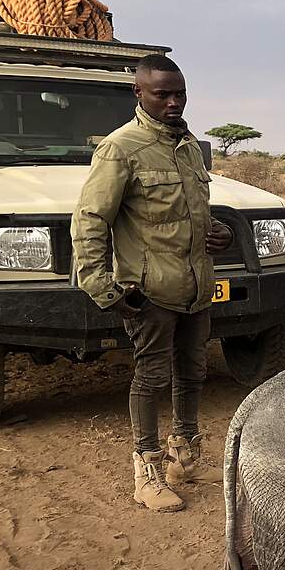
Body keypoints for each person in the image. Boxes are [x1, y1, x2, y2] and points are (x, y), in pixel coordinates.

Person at [72, 54, 233, 514]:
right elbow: (89, 221)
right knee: (151, 376)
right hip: (149, 291)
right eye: (162, 93)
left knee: (193, 372)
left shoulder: (186, 147)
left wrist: (216, 232)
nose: (173, 102)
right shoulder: (121, 149)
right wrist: (105, 288)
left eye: (179, 93)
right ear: (138, 93)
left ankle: (184, 455)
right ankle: (147, 469)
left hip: (195, 286)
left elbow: (188, 216)